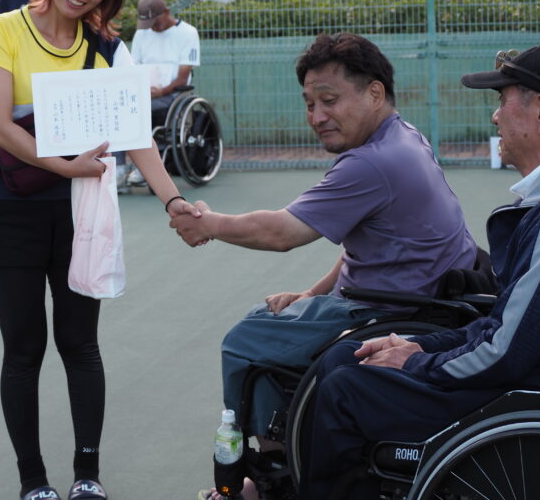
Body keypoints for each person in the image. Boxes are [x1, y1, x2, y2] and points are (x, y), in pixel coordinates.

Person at [169, 33, 479, 497]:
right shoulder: (406, 136)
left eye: (329, 101)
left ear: (374, 93)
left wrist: (207, 224)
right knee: (271, 320)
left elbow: (281, 232)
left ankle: (274, 476)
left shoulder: (372, 163)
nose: (317, 117)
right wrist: (311, 294)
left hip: (391, 309)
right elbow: (367, 247)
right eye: (310, 104)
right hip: (424, 295)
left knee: (246, 342)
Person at [0, 0, 200, 500]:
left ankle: (86, 476)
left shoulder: (107, 48)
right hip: (9, 207)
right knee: (24, 349)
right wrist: (65, 165)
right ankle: (33, 481)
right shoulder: (2, 29)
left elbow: (135, 135)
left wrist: (173, 200)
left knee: (80, 343)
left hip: (80, 211)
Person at [297, 42, 540, 500]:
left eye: (502, 100)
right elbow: (505, 325)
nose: (495, 117)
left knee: (348, 390)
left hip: (534, 389)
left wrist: (416, 361)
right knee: (346, 356)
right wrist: (419, 344)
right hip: (531, 370)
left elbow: (507, 351)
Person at [124, 0, 201, 187]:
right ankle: (118, 168)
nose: (152, 27)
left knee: (143, 111)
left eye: (155, 22)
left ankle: (145, 168)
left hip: (174, 94)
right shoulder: (142, 34)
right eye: (148, 24)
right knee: (120, 111)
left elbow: (183, 77)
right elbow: (133, 67)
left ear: (166, 12)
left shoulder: (188, 33)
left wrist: (160, 91)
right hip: (144, 92)